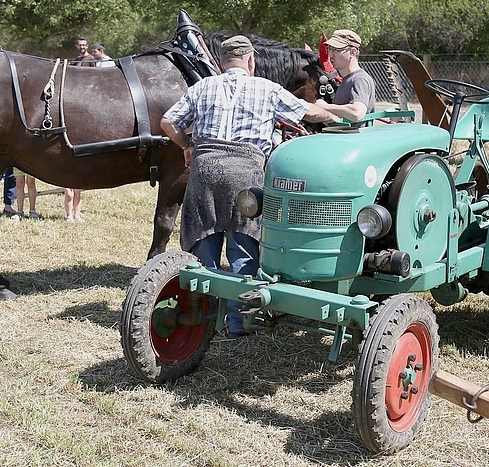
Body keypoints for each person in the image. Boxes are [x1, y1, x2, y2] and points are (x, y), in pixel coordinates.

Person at [160, 35, 338, 337]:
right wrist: (334, 116)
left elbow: (167, 122)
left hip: (205, 169)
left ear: (221, 62)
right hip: (246, 172)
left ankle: (205, 321)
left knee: (205, 242)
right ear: (251, 60)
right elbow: (307, 112)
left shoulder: (202, 86)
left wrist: (187, 145)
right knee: (243, 246)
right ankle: (238, 322)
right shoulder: (266, 88)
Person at [315, 29, 376, 123]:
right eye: (330, 49)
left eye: (336, 50)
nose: (330, 55)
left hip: (353, 137)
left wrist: (325, 107)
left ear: (352, 52)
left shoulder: (359, 79)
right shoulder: (348, 79)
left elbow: (357, 113)